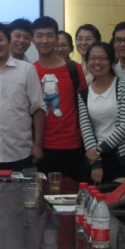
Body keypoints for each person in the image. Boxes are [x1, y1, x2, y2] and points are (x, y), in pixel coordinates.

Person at [0, 22, 46, 171]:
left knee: (26, 187)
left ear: (8, 41)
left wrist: (38, 145)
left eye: (0, 39)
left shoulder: (27, 70)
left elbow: (38, 108)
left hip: (22, 152)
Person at [77, 42, 125, 184]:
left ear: (111, 61)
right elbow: (86, 129)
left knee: (117, 194)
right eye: (93, 58)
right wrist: (96, 162)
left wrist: (98, 151)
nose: (97, 62)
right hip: (98, 158)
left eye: (103, 58)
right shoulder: (83, 94)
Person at [32, 16, 87, 180]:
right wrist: (36, 145)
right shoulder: (30, 71)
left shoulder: (74, 68)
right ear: (33, 39)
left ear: (57, 39)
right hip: (41, 146)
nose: (44, 40)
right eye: (39, 36)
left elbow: (84, 107)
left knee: (70, 192)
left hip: (72, 145)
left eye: (49, 35)